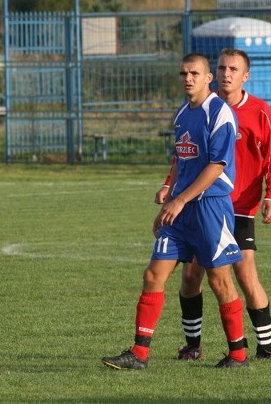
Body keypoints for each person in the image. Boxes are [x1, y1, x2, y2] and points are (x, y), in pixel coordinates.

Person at [102, 53, 249, 370]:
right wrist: (170, 192)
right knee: (153, 274)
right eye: (183, 73)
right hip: (180, 212)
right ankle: (139, 354)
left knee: (219, 282)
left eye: (195, 73)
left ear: (208, 77)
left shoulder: (219, 112)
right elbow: (181, 160)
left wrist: (181, 200)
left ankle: (238, 355)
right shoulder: (183, 114)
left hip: (211, 207)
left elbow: (216, 165)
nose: (188, 78)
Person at [155, 48, 271, 360]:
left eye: (234, 69)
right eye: (222, 67)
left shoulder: (260, 112)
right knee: (190, 277)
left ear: (245, 76)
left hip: (238, 207)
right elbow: (185, 153)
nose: (227, 74)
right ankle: (193, 345)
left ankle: (264, 347)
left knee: (244, 274)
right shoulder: (201, 106)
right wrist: (168, 183)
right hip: (201, 205)